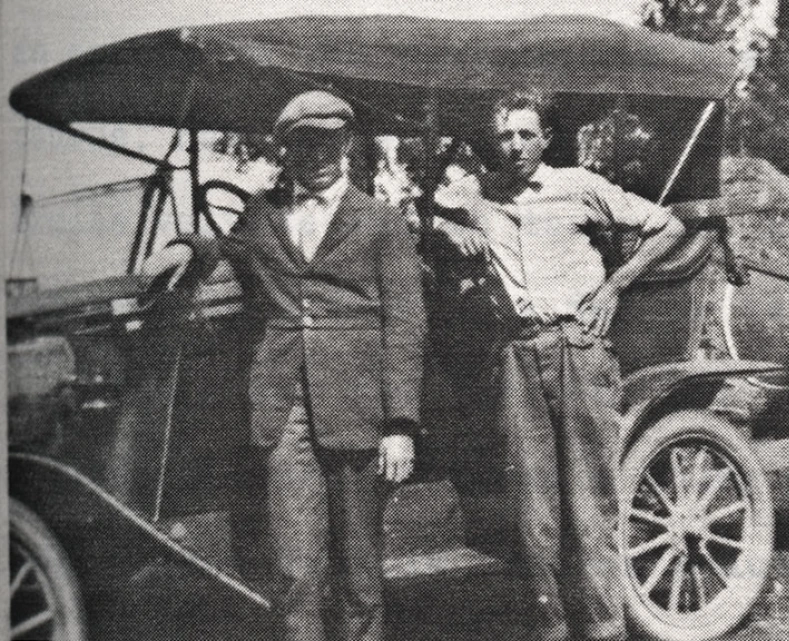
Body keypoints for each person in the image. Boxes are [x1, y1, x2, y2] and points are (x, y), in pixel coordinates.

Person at [144, 90, 425, 641]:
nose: (315, 153)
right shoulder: (262, 213)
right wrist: (184, 248)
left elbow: (407, 325)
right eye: (301, 143)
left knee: (359, 572)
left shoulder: (382, 222)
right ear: (285, 150)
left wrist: (400, 426)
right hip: (283, 411)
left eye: (326, 140)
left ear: (345, 143)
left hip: (361, 411)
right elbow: (226, 249)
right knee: (295, 571)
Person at [433, 88, 685, 641]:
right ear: (492, 144)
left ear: (545, 139)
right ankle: (550, 630)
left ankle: (604, 630)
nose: (516, 145)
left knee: (591, 504)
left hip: (578, 348)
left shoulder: (579, 187)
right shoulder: (477, 193)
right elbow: (428, 214)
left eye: (527, 134)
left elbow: (669, 226)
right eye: (505, 136)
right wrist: (455, 227)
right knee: (533, 510)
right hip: (517, 356)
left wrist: (616, 286)